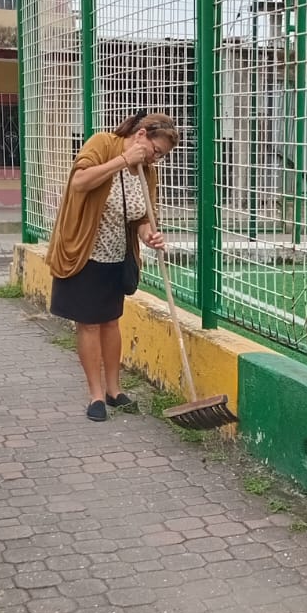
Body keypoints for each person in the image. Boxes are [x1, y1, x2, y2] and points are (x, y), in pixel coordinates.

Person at [45, 110, 179, 420]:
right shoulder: (103, 144)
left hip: (116, 257)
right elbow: (79, 182)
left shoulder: (147, 172)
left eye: (161, 156)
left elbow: (142, 217)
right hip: (83, 252)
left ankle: (114, 390)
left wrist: (149, 235)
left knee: (110, 322)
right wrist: (123, 160)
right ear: (141, 135)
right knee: (89, 324)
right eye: (156, 151)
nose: (156, 159)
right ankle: (96, 396)